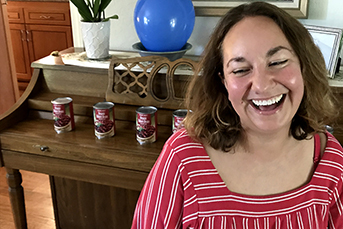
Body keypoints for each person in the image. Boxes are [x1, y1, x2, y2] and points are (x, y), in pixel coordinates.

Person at [131, 2, 343, 228]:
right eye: (241, 70)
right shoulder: (182, 157)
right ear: (224, 83)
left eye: (278, 62)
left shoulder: (330, 160)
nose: (261, 85)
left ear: (303, 67)